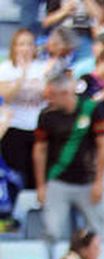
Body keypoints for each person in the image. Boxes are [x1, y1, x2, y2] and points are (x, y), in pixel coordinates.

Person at [32, 71, 104, 240]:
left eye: (52, 96)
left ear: (65, 93)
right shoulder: (46, 116)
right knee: (52, 232)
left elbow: (102, 147)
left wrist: (99, 182)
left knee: (96, 231)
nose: (48, 100)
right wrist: (41, 185)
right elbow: (39, 150)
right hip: (58, 180)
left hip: (88, 180)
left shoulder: (91, 109)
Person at [0, 30, 52, 187]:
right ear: (14, 47)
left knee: (37, 175)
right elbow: (6, 96)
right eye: (21, 44)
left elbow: (49, 94)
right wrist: (22, 77)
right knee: (16, 174)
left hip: (39, 127)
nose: (26, 48)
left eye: (29, 44)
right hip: (15, 126)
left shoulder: (44, 68)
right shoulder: (6, 69)